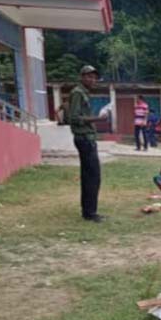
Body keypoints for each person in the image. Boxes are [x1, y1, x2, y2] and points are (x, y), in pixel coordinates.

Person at [67, 65, 109, 223]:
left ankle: (89, 211)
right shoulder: (77, 93)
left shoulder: (83, 93)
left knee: (90, 176)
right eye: (89, 76)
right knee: (92, 176)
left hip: (88, 138)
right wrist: (98, 119)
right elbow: (74, 118)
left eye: (94, 77)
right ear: (82, 77)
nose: (93, 80)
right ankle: (90, 213)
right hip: (84, 139)